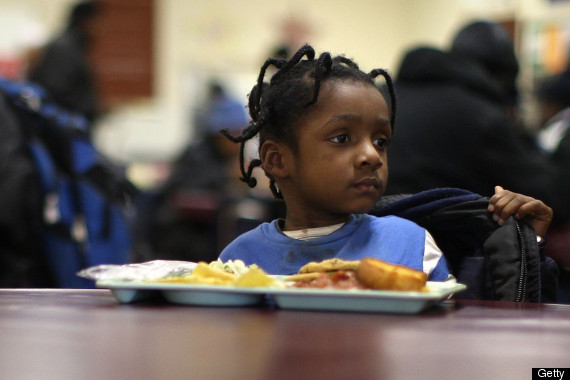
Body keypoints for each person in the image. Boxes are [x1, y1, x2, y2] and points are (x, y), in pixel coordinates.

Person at [217, 44, 554, 278]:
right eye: (342, 138)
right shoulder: (238, 261)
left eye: (381, 141)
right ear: (277, 160)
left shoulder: (410, 244)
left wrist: (525, 243)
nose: (371, 156)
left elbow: (452, 338)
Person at [383, 20, 570, 226]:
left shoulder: (382, 96)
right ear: (502, 78)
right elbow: (551, 201)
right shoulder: (480, 115)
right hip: (434, 249)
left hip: (359, 236)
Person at [27, 1, 101, 125]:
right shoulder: (64, 48)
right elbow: (55, 88)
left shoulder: (75, 45)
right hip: (65, 123)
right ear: (84, 20)